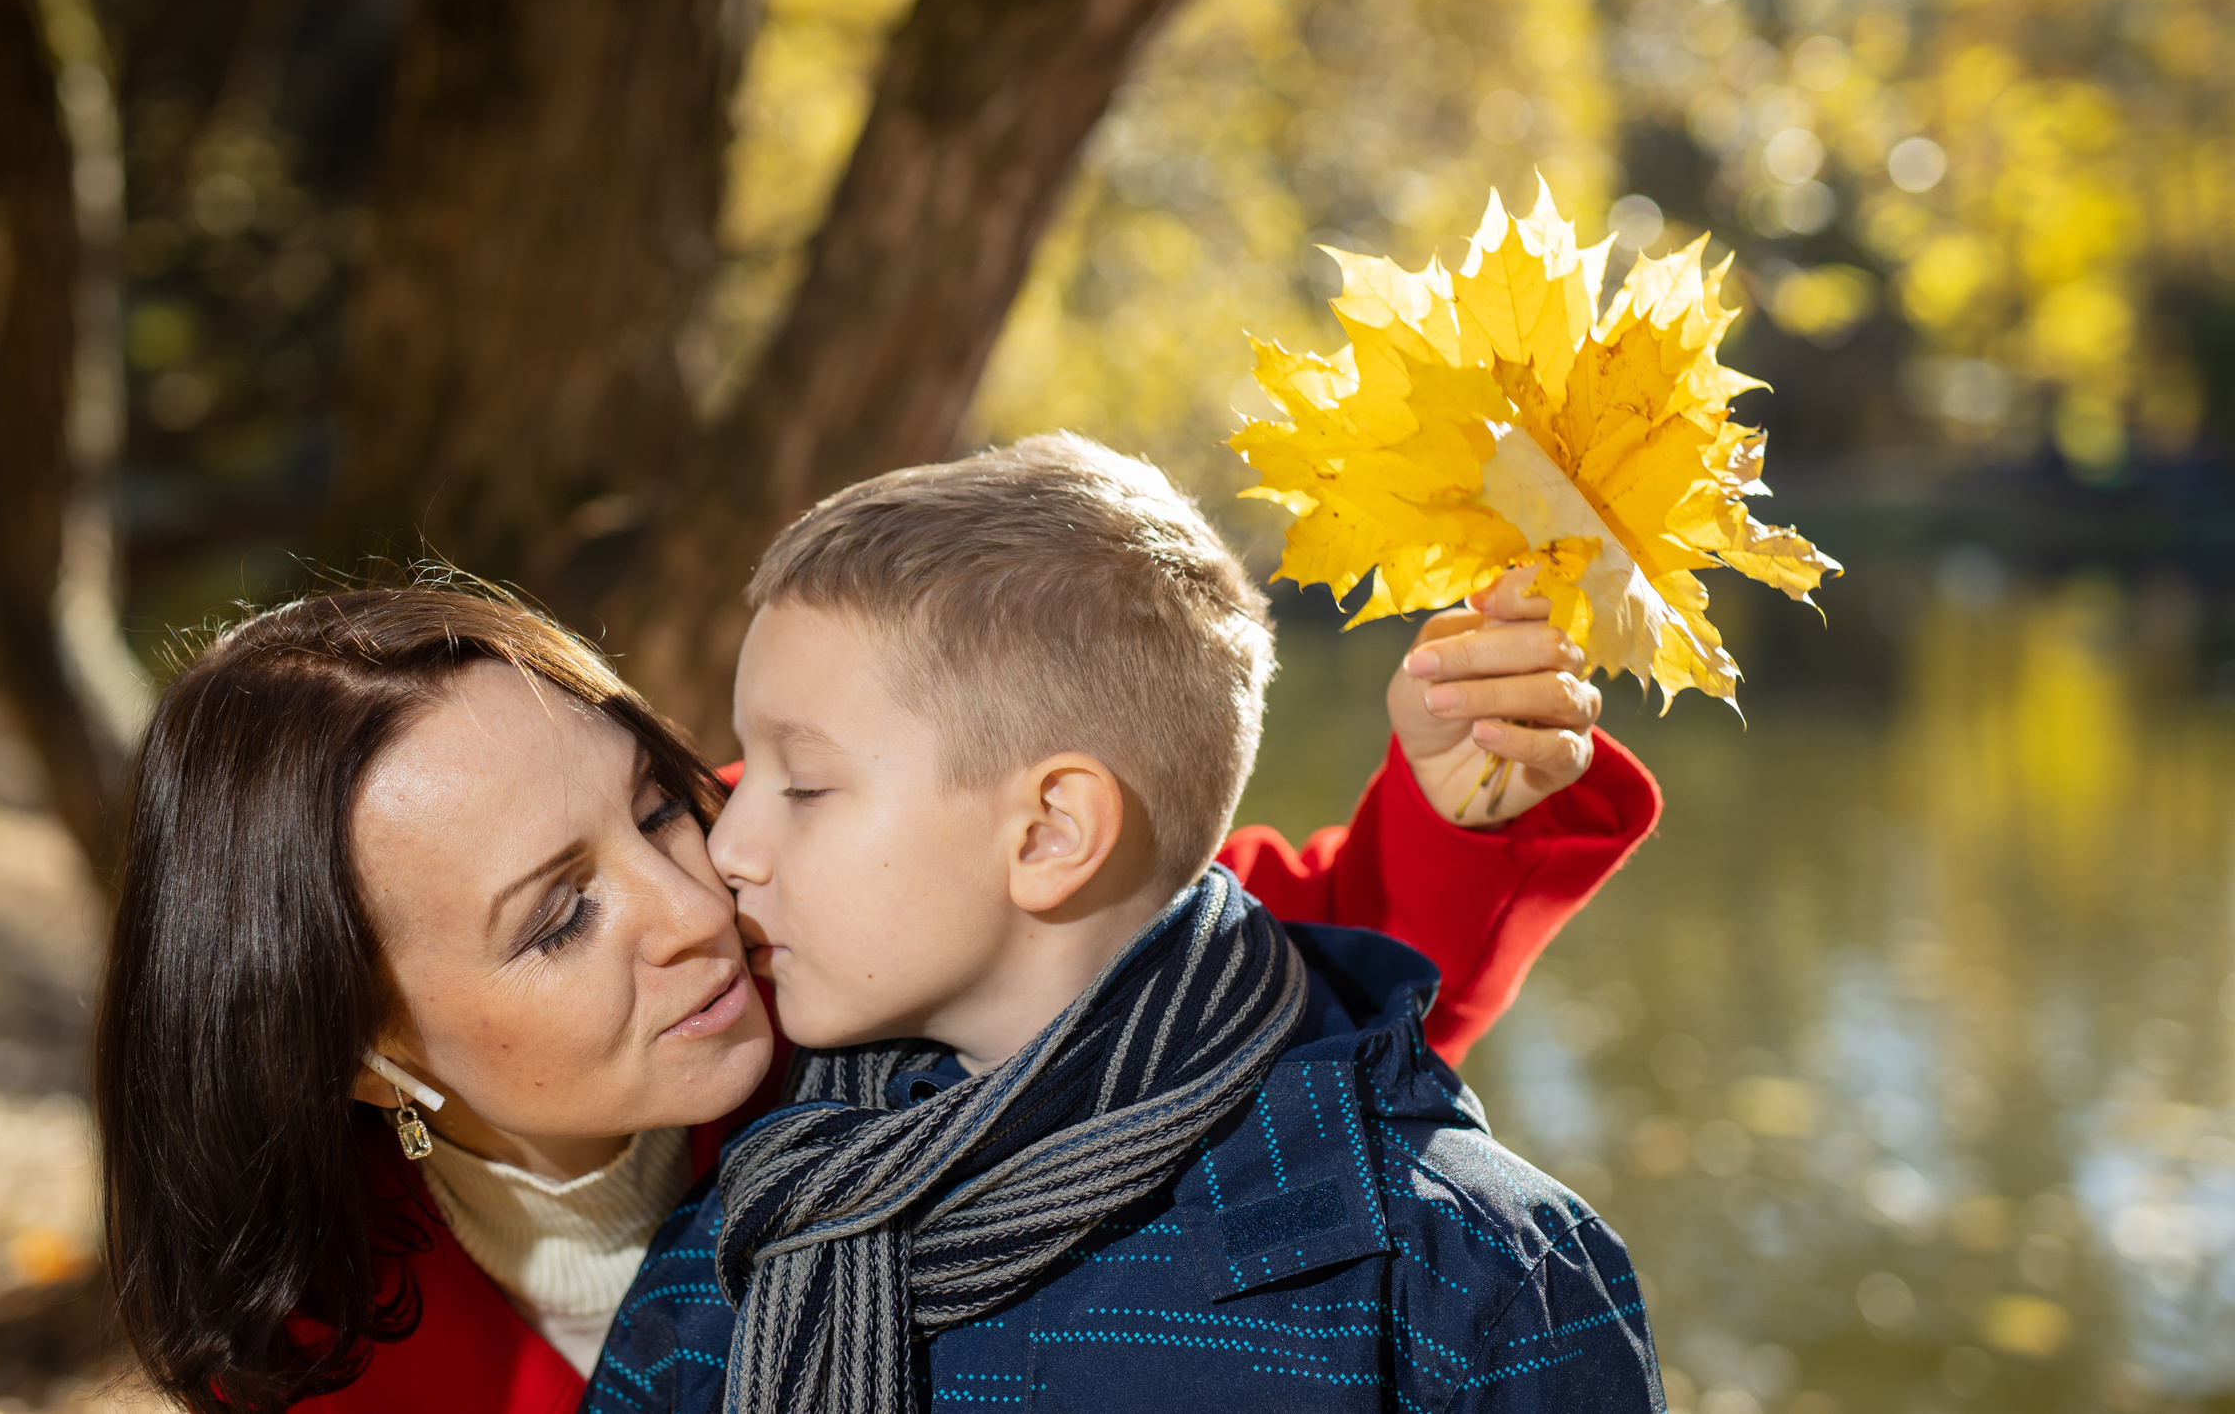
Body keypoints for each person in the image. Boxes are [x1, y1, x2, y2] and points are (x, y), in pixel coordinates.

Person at [95, 456, 1656, 1413]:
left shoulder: (829, 906)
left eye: (655, 803)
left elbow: (1196, 971)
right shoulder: (310, 1335)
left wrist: (1465, 789)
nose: (699, 901)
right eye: (559, 917)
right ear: (360, 1046)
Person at [598, 435, 1664, 1413]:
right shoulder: (739, 1239)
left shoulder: (1472, 1280)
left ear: (1050, 833)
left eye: (803, 784)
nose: (725, 848)